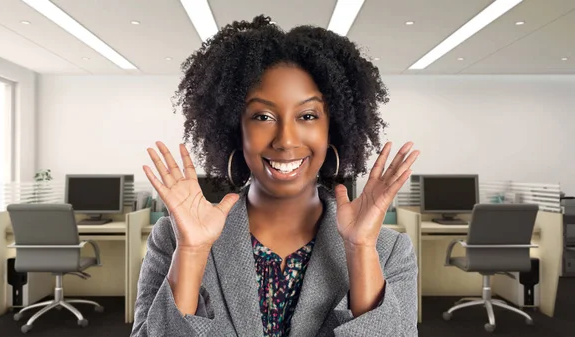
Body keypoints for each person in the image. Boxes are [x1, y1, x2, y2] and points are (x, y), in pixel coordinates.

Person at [131, 15, 420, 337]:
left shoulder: (388, 249)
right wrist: (192, 252)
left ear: (332, 129)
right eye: (263, 116)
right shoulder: (173, 239)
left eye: (308, 115)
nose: (285, 139)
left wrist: (361, 249)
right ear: (234, 130)